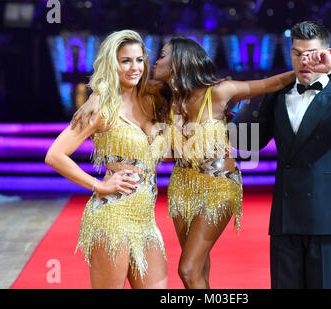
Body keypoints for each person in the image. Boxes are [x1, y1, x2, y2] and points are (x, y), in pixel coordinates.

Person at [72, 36, 295, 289]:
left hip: (218, 187)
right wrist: (95, 97)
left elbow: (270, 83)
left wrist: (303, 69)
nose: (154, 61)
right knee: (198, 269)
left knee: (188, 269)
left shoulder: (220, 92)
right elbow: (116, 89)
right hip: (182, 186)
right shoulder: (161, 95)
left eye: (163, 55)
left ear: (179, 61)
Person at [249, 21, 331, 289]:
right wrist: (219, 117)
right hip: (286, 219)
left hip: (328, 218)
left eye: (311, 53)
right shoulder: (278, 93)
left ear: (327, 52)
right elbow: (255, 141)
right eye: (297, 53)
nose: (304, 61)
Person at [45, 30, 170, 289]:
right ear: (112, 63)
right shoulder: (101, 108)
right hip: (112, 218)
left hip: (146, 221)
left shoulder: (151, 100)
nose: (134, 67)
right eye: (126, 60)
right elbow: (55, 155)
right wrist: (99, 185)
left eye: (139, 59)